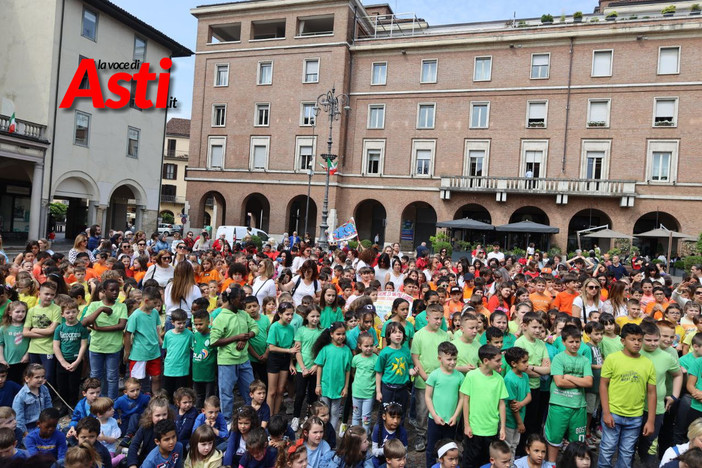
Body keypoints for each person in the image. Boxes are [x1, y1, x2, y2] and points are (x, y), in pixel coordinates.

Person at [598, 323, 656, 468]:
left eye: (639, 340)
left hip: (635, 416)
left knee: (627, 452)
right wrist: (606, 413)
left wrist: (650, 421)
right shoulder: (612, 359)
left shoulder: (648, 363)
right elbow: (603, 386)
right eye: (632, 339)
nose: (637, 343)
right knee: (607, 449)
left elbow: (652, 392)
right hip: (614, 413)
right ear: (623, 340)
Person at [544, 325, 593, 463]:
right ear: (564, 342)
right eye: (571, 341)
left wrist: (570, 377)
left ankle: (573, 465)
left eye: (577, 341)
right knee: (554, 438)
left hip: (579, 406)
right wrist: (580, 381)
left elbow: (589, 382)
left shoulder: (584, 360)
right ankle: (551, 464)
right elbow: (559, 382)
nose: (575, 344)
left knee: (578, 442)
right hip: (559, 404)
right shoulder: (559, 358)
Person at [210, 285, 259, 423]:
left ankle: (251, 417)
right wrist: (237, 338)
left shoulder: (243, 314)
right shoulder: (221, 317)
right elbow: (213, 341)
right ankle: (227, 421)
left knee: (250, 389)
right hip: (227, 361)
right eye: (241, 300)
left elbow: (255, 327)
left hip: (244, 360)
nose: (244, 303)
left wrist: (247, 336)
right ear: (231, 300)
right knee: (226, 393)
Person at [460, 345, 508, 467]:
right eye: (497, 360)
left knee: (487, 461)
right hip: (474, 429)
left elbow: (501, 404)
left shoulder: (499, 379)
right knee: (470, 460)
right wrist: (466, 425)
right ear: (486, 361)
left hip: (491, 429)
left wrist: (502, 427)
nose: (500, 363)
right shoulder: (471, 376)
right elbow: (466, 401)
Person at [412, 304, 450, 452]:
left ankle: (437, 437)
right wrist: (425, 376)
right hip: (424, 380)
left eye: (441, 318)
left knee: (439, 408)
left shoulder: (444, 335)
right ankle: (421, 434)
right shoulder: (419, 335)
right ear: (427, 318)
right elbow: (416, 358)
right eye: (436, 318)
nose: (439, 321)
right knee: (422, 409)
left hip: (441, 380)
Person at [81, 278, 127, 400]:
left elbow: (121, 326)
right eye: (112, 290)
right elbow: (85, 322)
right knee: (95, 376)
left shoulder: (122, 306)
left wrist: (100, 329)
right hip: (96, 347)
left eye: (117, 290)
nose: (115, 293)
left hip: (113, 347)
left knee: (112, 376)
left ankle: (111, 401)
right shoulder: (95, 305)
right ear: (103, 291)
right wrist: (101, 309)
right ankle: (97, 401)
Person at [424, 341, 463, 468]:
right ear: (440, 359)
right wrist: (434, 415)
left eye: (455, 359)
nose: (452, 362)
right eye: (449, 359)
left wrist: (455, 416)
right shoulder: (434, 375)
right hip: (435, 420)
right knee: (431, 448)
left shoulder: (459, 376)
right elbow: (428, 397)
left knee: (449, 448)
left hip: (451, 421)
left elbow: (462, 399)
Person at [313, 321, 352, 431]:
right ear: (331, 334)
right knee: (324, 412)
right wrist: (318, 385)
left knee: (335, 413)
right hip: (325, 386)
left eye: (343, 334)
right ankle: (322, 432)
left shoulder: (347, 351)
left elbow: (348, 370)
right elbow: (319, 366)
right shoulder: (325, 349)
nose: (341, 337)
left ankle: (331, 434)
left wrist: (346, 387)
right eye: (338, 334)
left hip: (338, 388)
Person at [124, 286, 163, 394]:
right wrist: (127, 351)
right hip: (139, 353)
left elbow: (156, 328)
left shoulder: (154, 313)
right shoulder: (135, 315)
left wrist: (160, 341)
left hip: (154, 351)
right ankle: (136, 402)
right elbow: (127, 334)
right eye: (154, 302)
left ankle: (156, 398)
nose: (156, 305)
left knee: (156, 377)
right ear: (146, 300)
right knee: (136, 381)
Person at [292, 306, 323, 431]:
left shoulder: (322, 331)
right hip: (301, 368)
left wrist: (316, 365)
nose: (315, 319)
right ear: (306, 317)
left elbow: (322, 351)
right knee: (299, 394)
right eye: (312, 316)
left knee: (312, 395)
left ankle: (309, 417)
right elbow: (297, 351)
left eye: (317, 316)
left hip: (315, 368)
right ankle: (296, 417)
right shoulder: (301, 330)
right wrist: (303, 368)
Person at [267, 302, 299, 416]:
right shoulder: (275, 326)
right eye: (287, 314)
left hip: (286, 359)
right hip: (275, 359)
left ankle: (275, 415)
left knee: (281, 390)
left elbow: (291, 347)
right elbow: (271, 347)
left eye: (291, 314)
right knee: (272, 391)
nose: (290, 317)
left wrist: (291, 363)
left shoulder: (291, 328)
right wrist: (288, 351)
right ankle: (268, 416)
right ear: (280, 314)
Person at [503, 346, 531, 459]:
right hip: (511, 420)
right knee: (507, 445)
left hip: (520, 417)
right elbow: (513, 406)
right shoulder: (509, 379)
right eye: (524, 362)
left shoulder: (525, 376)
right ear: (514, 363)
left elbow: (529, 396)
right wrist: (520, 423)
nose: (527, 364)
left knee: (514, 444)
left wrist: (521, 404)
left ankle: (511, 464)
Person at [12, 363, 52, 434]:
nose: (40, 379)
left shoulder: (44, 389)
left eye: (42, 377)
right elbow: (19, 418)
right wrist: (25, 433)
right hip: (29, 426)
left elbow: (49, 407)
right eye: (37, 377)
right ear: (27, 378)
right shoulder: (21, 396)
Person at [371, 403, 407, 468]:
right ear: (384, 416)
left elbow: (405, 451)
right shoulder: (378, 429)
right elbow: (374, 450)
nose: (396, 421)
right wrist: (388, 452)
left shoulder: (402, 431)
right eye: (392, 417)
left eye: (398, 418)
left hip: (396, 460)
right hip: (380, 459)